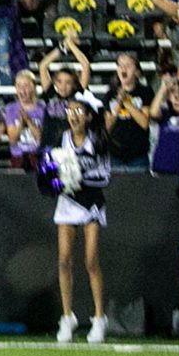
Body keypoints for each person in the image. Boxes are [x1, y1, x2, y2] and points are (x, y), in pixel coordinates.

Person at [46, 92, 112, 343]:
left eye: (78, 112)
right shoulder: (62, 138)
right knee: (64, 260)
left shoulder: (98, 141)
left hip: (91, 203)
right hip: (68, 202)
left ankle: (99, 318)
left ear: (88, 116)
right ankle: (67, 317)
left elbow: (105, 176)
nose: (73, 116)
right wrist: (54, 180)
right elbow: (52, 171)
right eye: (70, 111)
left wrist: (78, 178)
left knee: (91, 259)